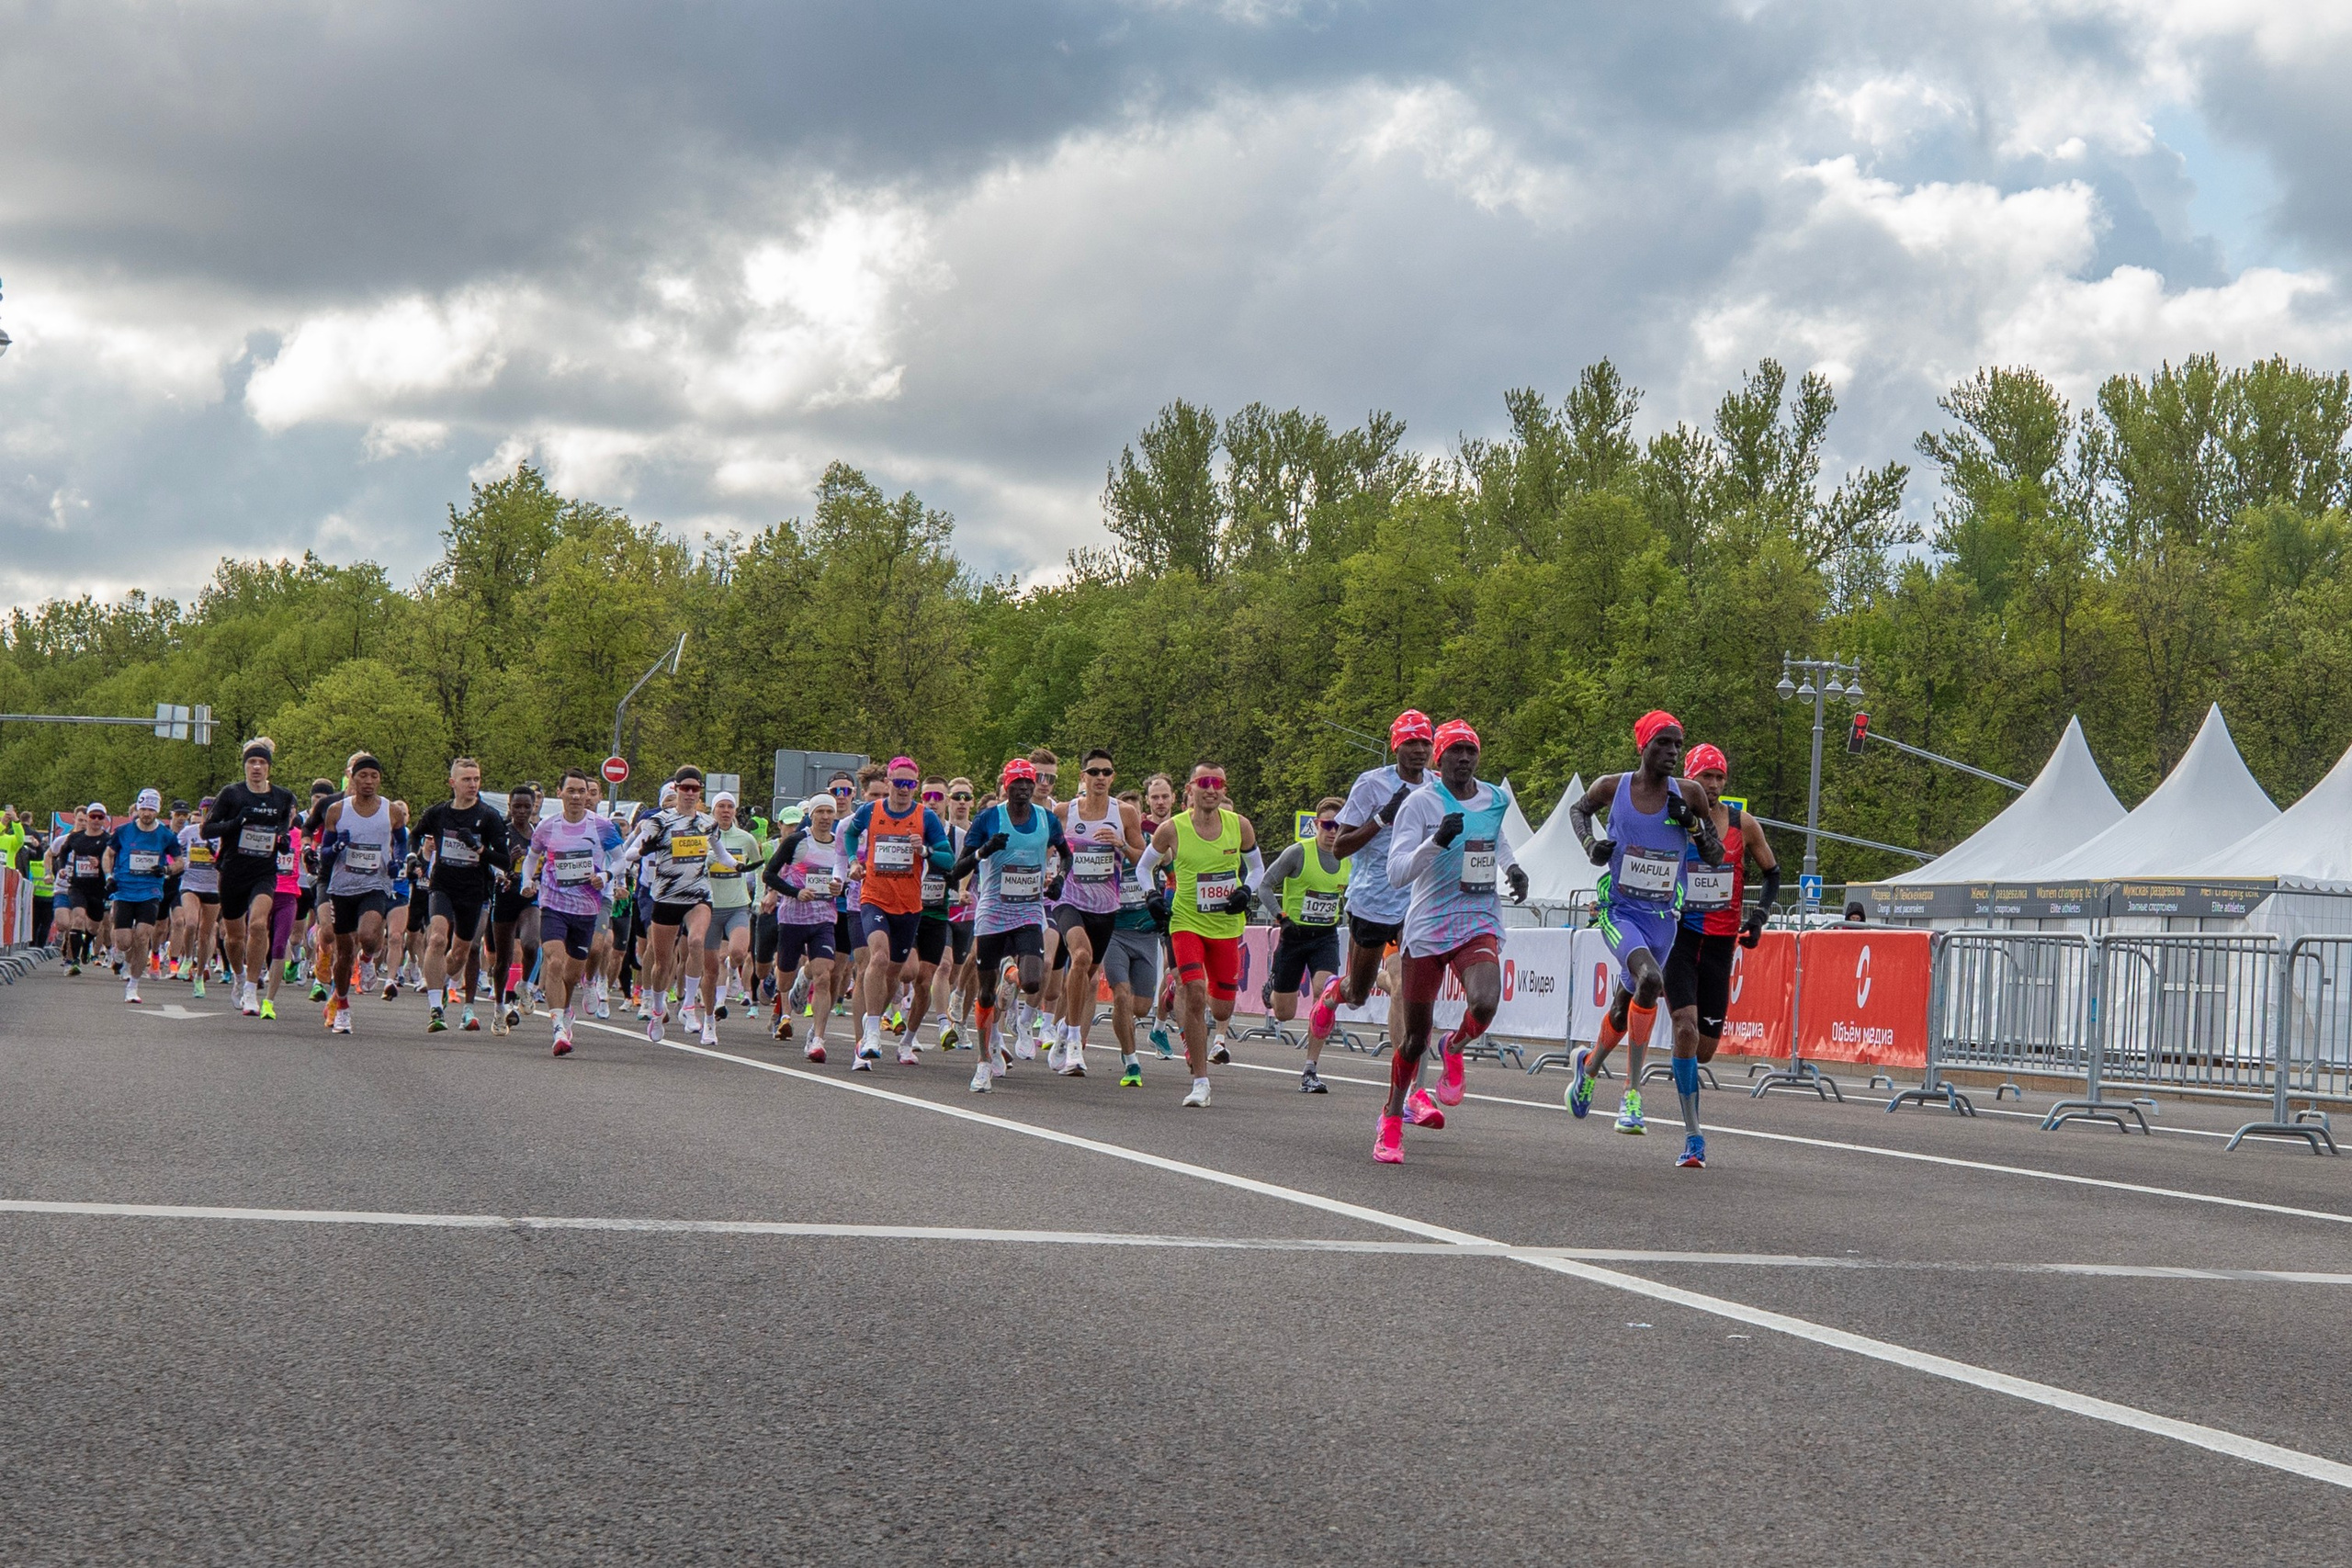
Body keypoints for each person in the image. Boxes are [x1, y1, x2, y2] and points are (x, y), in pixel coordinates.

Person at [1563, 711, 1724, 1157]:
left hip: (1663, 919)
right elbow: (1580, 810)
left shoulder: (1689, 794)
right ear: (1644, 746)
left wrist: (1691, 825)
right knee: (1651, 981)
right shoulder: (1613, 788)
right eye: (1664, 743)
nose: (1673, 752)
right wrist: (1591, 845)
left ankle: (1589, 1067)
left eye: (1678, 745)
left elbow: (1713, 855)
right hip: (1620, 911)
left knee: (1626, 1002)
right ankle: (1632, 1098)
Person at [1372, 722, 1529, 1163]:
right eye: (1455, 751)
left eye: (1470, 751)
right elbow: (1397, 871)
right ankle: (1391, 1117)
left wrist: (1513, 868)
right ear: (1439, 759)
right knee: (1414, 1039)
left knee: (1485, 1002)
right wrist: (1436, 842)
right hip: (1427, 928)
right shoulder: (1420, 803)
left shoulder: (1496, 797)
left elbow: (1495, 837)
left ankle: (1455, 1045)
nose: (1464, 758)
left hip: (1477, 919)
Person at [1317, 711, 1436, 1110]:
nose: (1419, 750)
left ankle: (1410, 1092)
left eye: (1424, 743)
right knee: (1359, 994)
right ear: (1396, 745)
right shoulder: (1372, 783)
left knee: (1408, 989)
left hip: (1417, 903)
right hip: (1373, 900)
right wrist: (1383, 816)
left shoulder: (1438, 787)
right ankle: (1336, 992)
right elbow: (1340, 848)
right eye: (1410, 743)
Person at [1136, 762, 1262, 1109]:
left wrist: (1246, 890)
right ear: (1190, 789)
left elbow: (1257, 867)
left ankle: (1184, 992)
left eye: (1217, 783)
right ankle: (1200, 1082)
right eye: (1204, 782)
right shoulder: (1172, 829)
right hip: (1186, 921)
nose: (1211, 788)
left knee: (1222, 1008)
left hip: (1224, 927)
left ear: (1224, 789)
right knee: (1195, 993)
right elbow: (1143, 867)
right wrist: (1151, 896)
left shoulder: (1240, 826)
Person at [945, 759, 1069, 1093]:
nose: (1025, 788)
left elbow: (1066, 855)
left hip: (1029, 911)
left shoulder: (1046, 819)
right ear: (1006, 785)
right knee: (985, 992)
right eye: (1018, 783)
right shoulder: (989, 818)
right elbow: (957, 870)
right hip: (993, 913)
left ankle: (1010, 976)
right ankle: (984, 1063)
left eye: (1029, 782)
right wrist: (985, 850)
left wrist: (1059, 879)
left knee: (1032, 981)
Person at [836, 761, 954, 1067]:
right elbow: (851, 834)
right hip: (874, 898)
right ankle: (871, 1031)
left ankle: (877, 1020)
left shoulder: (925, 817)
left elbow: (948, 858)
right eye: (898, 783)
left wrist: (925, 851)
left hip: (910, 906)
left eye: (910, 785)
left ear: (916, 786)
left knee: (895, 974)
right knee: (878, 958)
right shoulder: (870, 811)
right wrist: (853, 861)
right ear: (888, 782)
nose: (903, 790)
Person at [619, 766, 737, 1043]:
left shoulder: (707, 823)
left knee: (696, 942)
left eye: (695, 789)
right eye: (685, 788)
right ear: (677, 789)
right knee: (662, 962)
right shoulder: (659, 821)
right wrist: (643, 851)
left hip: (697, 895)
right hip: (666, 896)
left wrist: (738, 865)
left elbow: (722, 855)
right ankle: (658, 1009)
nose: (690, 793)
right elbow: (630, 853)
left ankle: (688, 1007)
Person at [1048, 750, 1147, 1077]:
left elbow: (1144, 861)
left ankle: (1064, 1026)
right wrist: (1048, 874)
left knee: (1087, 973)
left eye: (1106, 772)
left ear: (1113, 777)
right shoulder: (1064, 812)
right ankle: (1075, 1041)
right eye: (1094, 772)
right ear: (1082, 777)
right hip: (1069, 901)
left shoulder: (1126, 813)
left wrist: (1121, 844)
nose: (1100, 778)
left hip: (1105, 909)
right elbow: (1045, 850)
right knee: (1078, 957)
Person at [1254, 798, 1351, 1093]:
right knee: (1283, 1012)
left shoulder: (1349, 857)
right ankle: (1271, 991)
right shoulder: (1298, 852)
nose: (1333, 831)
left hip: (1325, 937)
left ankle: (1310, 1068)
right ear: (1316, 825)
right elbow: (1264, 885)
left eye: (1339, 825)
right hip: (1294, 935)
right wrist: (1281, 917)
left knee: (1326, 993)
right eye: (1327, 825)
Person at [518, 768, 614, 1056]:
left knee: (572, 975)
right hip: (553, 905)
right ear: (559, 793)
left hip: (587, 909)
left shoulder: (602, 826)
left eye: (581, 791)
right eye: (570, 790)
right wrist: (527, 881)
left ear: (588, 795)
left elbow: (620, 860)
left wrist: (607, 875)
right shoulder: (548, 826)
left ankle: (566, 1008)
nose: (575, 796)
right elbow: (531, 858)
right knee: (555, 962)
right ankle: (558, 1028)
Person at [203, 739, 300, 1018]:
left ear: (269, 767)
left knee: (258, 925)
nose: (256, 767)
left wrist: (282, 840)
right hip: (233, 870)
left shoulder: (282, 797)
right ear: (245, 766)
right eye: (251, 763)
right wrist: (236, 823)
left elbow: (285, 826)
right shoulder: (231, 794)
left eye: (262, 763)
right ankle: (238, 975)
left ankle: (251, 989)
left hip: (264, 872)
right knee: (234, 938)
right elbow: (207, 830)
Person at [415, 758, 512, 1033]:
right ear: (452, 783)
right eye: (467, 779)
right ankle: (436, 1008)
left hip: (474, 890)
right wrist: (417, 858)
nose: (473, 784)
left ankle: (442, 984)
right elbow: (415, 835)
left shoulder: (489, 816)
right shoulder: (438, 813)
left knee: (459, 954)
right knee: (436, 938)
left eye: (477, 779)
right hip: (443, 884)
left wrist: (480, 850)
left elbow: (504, 861)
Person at [316, 753, 408, 1034]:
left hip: (375, 884)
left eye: (374, 776)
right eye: (363, 776)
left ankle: (368, 958)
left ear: (380, 780)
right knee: (343, 953)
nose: (368, 781)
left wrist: (397, 861)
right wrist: (335, 848)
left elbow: (402, 840)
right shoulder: (337, 811)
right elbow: (325, 855)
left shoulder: (391, 811)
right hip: (343, 886)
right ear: (352, 779)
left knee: (369, 936)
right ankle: (342, 1006)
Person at [763, 795, 845, 1059]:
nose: (824, 817)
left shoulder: (840, 846)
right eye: (819, 811)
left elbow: (845, 879)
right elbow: (769, 875)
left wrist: (838, 887)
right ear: (811, 815)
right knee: (784, 980)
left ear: (834, 816)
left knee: (824, 976)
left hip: (823, 919)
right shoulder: (797, 841)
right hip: (792, 919)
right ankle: (790, 987)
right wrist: (795, 892)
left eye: (828, 812)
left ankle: (818, 1038)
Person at [697, 790, 763, 1045]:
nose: (725, 811)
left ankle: (733, 973)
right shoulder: (704, 836)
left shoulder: (745, 839)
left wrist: (758, 897)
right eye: (721, 806)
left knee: (737, 953)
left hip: (738, 906)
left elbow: (758, 868)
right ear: (713, 811)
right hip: (710, 908)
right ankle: (709, 1021)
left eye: (730, 807)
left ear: (735, 811)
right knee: (710, 970)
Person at [104, 789, 182, 1004]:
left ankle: (133, 986)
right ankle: (121, 956)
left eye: (151, 809)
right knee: (124, 941)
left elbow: (180, 862)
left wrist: (166, 870)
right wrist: (109, 876)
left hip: (150, 891)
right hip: (124, 890)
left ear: (157, 811)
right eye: (143, 808)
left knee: (142, 936)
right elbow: (109, 854)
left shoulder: (166, 835)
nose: (146, 813)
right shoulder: (123, 831)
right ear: (137, 808)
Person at [486, 784, 543, 1033]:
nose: (521, 811)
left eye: (526, 807)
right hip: (505, 896)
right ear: (509, 807)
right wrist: (506, 862)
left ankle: (526, 985)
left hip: (530, 896)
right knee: (503, 960)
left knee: (531, 944)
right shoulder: (502, 832)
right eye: (517, 806)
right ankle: (499, 1009)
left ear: (533, 808)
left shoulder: (539, 834)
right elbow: (489, 861)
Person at [51, 805, 113, 975]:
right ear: (87, 817)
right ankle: (72, 961)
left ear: (104, 820)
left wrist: (100, 865)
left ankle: (87, 944)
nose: (96, 820)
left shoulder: (108, 840)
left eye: (100, 817)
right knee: (77, 918)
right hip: (77, 886)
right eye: (93, 816)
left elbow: (112, 863)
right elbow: (62, 853)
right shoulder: (76, 838)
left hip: (97, 888)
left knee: (94, 927)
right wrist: (62, 868)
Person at [175, 798, 221, 996]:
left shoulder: (223, 833)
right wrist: (181, 862)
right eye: (205, 811)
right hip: (191, 883)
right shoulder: (189, 832)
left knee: (206, 933)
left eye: (212, 811)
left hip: (213, 887)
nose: (208, 814)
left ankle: (200, 974)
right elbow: (172, 853)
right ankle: (186, 958)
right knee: (191, 923)